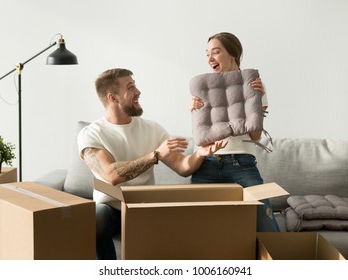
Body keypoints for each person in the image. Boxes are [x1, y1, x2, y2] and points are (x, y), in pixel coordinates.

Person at [78, 68, 227, 259]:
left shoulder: (152, 129)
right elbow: (111, 175)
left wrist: (200, 154)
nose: (138, 92)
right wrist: (155, 155)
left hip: (145, 208)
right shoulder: (91, 133)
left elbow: (182, 167)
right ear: (112, 98)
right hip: (111, 211)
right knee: (96, 216)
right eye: (131, 87)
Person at [189, 32, 280, 232]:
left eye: (216, 52)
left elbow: (255, 136)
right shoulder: (203, 89)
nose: (210, 59)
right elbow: (202, 138)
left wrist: (256, 102)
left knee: (266, 224)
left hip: (242, 164)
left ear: (233, 53)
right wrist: (195, 110)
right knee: (197, 228)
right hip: (207, 164)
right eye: (207, 54)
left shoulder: (254, 86)